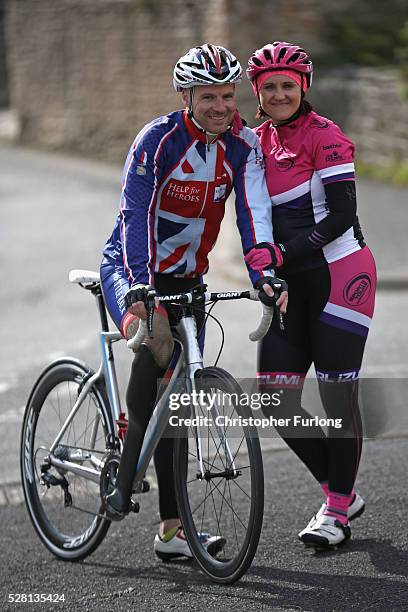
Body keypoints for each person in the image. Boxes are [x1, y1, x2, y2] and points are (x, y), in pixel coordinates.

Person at [100, 43, 288, 560]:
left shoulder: (243, 146)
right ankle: (125, 467)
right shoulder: (157, 140)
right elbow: (133, 210)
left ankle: (170, 530)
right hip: (131, 268)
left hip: (187, 278)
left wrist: (264, 272)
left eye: (229, 96)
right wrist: (140, 282)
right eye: (209, 97)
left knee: (178, 404)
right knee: (159, 353)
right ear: (187, 95)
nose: (222, 107)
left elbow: (253, 217)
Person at [244, 42, 376, 548]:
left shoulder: (327, 136)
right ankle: (340, 491)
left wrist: (280, 253)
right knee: (275, 399)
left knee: (337, 395)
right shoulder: (254, 143)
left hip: (342, 273)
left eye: (287, 85)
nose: (279, 94)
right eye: (269, 86)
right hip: (289, 285)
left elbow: (342, 215)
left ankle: (337, 512)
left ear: (304, 87)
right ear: (258, 93)